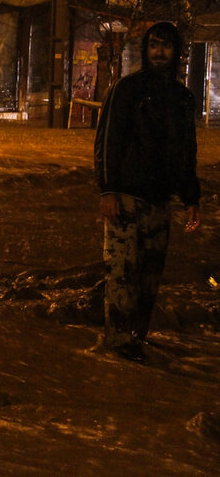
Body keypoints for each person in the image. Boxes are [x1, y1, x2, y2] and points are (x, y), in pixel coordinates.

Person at [93, 21, 201, 363]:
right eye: (154, 45)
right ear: (145, 49)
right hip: (126, 199)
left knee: (149, 277)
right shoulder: (127, 90)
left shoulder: (182, 99)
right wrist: (108, 190)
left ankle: (137, 338)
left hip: (160, 202)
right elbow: (107, 141)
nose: (159, 52)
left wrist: (191, 197)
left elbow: (186, 152)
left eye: (166, 46)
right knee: (122, 275)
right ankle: (119, 344)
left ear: (176, 51)